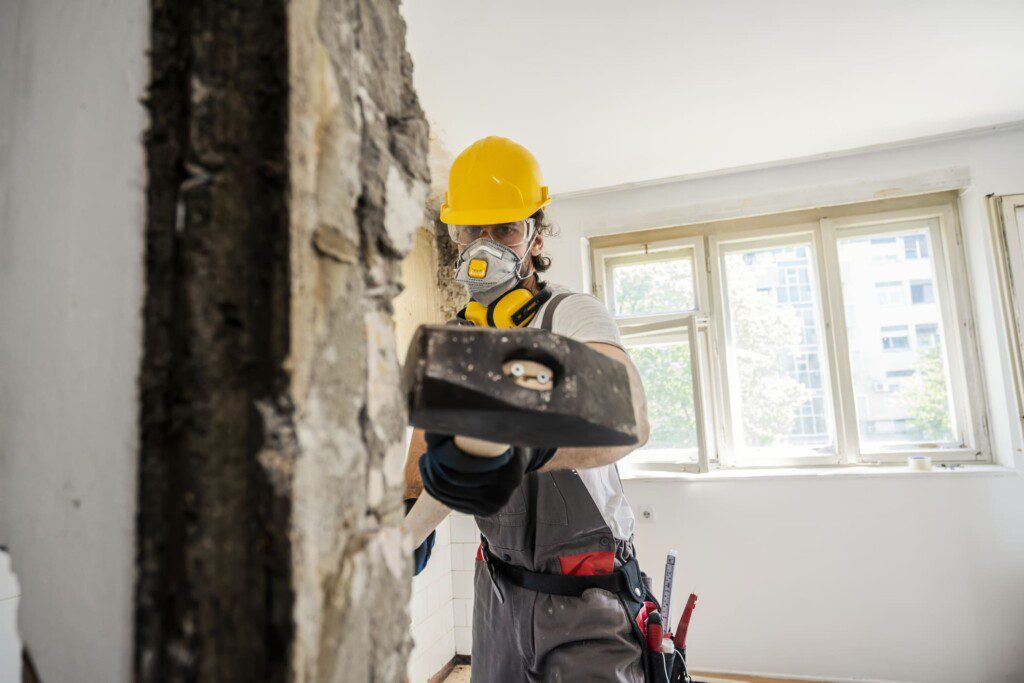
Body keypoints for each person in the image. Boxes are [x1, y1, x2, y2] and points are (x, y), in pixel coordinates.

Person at [404, 136, 652, 682]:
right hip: (496, 590)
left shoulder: (570, 315)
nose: (486, 245)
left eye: (506, 230)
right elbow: (427, 471)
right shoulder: (453, 345)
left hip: (588, 595)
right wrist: (401, 537)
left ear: (534, 234)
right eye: (474, 230)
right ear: (455, 234)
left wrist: (524, 446)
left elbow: (629, 416)